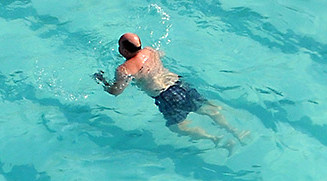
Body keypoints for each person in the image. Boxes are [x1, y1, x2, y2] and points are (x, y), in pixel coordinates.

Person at [93, 32, 244, 144]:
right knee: (206, 108)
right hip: (179, 83)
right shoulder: (150, 51)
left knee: (177, 127)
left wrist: (102, 81)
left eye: (119, 46)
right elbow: (161, 54)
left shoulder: (124, 69)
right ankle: (236, 131)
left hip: (165, 95)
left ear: (125, 51)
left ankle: (215, 138)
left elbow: (116, 91)